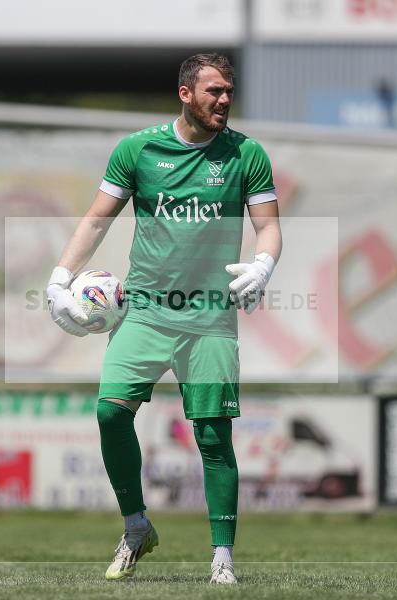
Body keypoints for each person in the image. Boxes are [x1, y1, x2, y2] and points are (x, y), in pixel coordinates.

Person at [45, 53, 282, 583]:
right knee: (110, 414)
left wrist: (265, 263)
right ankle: (136, 525)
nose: (224, 100)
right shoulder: (138, 150)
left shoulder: (247, 155)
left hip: (210, 316)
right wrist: (59, 279)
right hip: (147, 312)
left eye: (229, 91)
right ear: (185, 93)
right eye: (214, 91)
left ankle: (222, 557)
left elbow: (269, 227)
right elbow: (96, 220)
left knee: (213, 437)